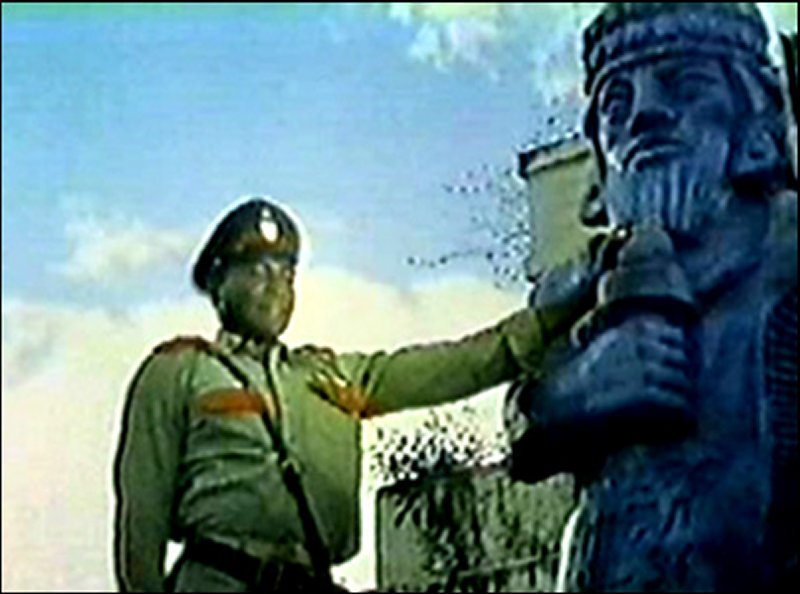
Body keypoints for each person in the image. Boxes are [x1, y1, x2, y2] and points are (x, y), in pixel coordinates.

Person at [113, 197, 606, 592]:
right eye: (258, 270)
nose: (276, 286)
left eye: (286, 273)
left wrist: (566, 308)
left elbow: (459, 364)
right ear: (220, 281)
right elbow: (142, 522)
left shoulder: (333, 376)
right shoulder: (179, 371)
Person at [505, 3, 797, 591]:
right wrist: (582, 389)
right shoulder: (576, 285)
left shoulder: (786, 249)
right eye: (617, 104)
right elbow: (523, 422)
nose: (645, 114)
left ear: (753, 118)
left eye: (685, 85)